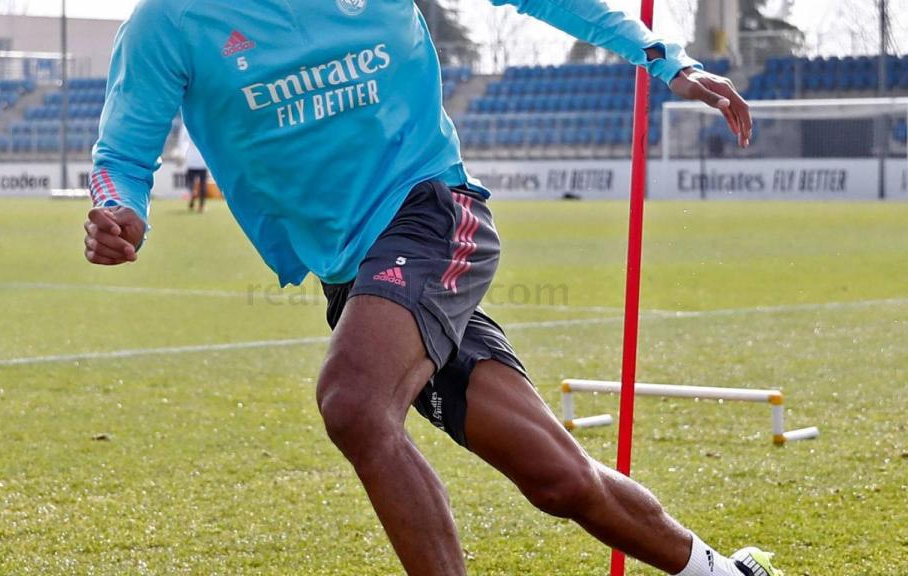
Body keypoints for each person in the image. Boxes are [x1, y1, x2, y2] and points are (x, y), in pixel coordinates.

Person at [82, 1, 776, 575]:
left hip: (434, 214)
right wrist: (121, 212)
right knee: (557, 479)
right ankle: (720, 571)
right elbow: (122, 153)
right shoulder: (168, 21)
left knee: (352, 404)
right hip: (355, 276)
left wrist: (663, 57)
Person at [177, 124, 209, 212]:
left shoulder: (186, 125)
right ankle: (201, 206)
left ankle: (193, 192)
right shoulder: (204, 125)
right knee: (203, 185)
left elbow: (183, 142)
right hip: (202, 161)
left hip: (191, 161)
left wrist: (181, 154)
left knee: (190, 183)